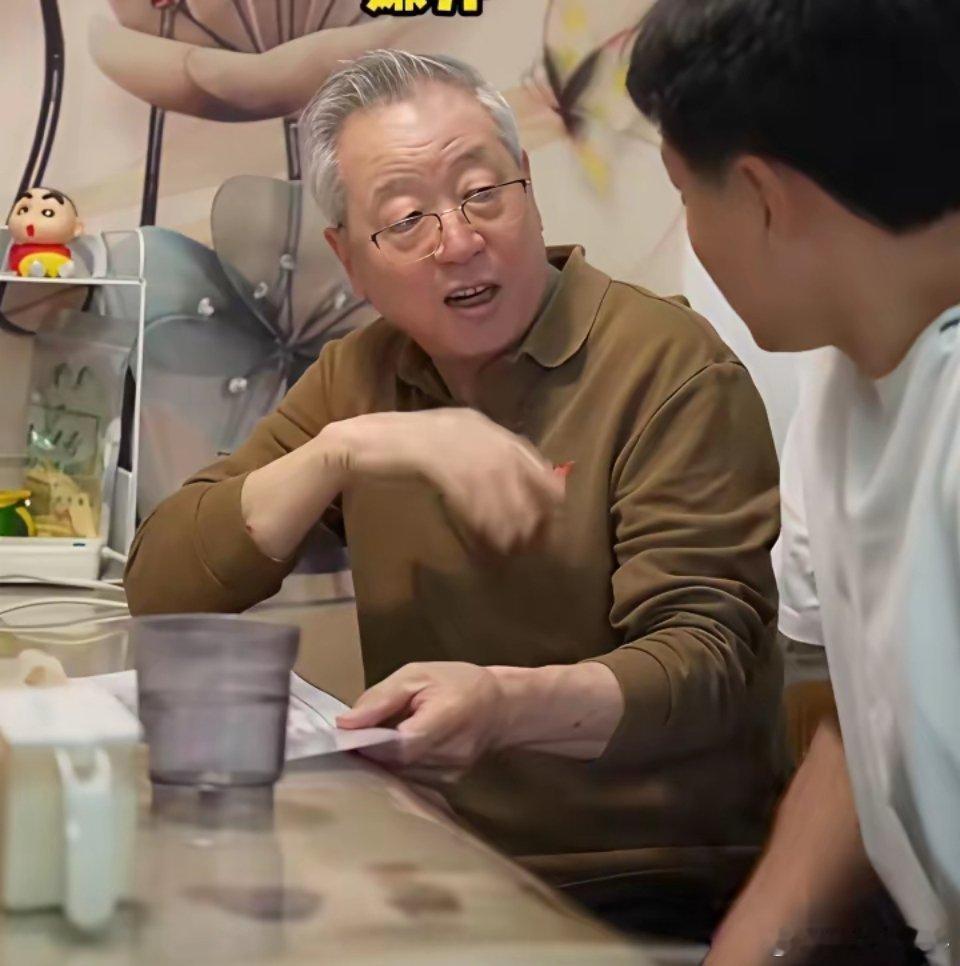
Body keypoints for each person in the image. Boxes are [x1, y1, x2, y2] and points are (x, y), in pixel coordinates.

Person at [125, 49, 785, 931]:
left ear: (529, 188)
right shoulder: (359, 377)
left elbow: (707, 666)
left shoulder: (668, 367)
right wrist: (346, 448)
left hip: (644, 877)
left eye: (482, 193)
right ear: (349, 258)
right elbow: (161, 586)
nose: (460, 241)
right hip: (432, 855)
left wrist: (504, 706)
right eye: (406, 219)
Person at [627, 1, 960, 962]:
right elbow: (863, 731)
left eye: (684, 195)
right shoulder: (845, 381)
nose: (690, 234)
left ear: (764, 196)